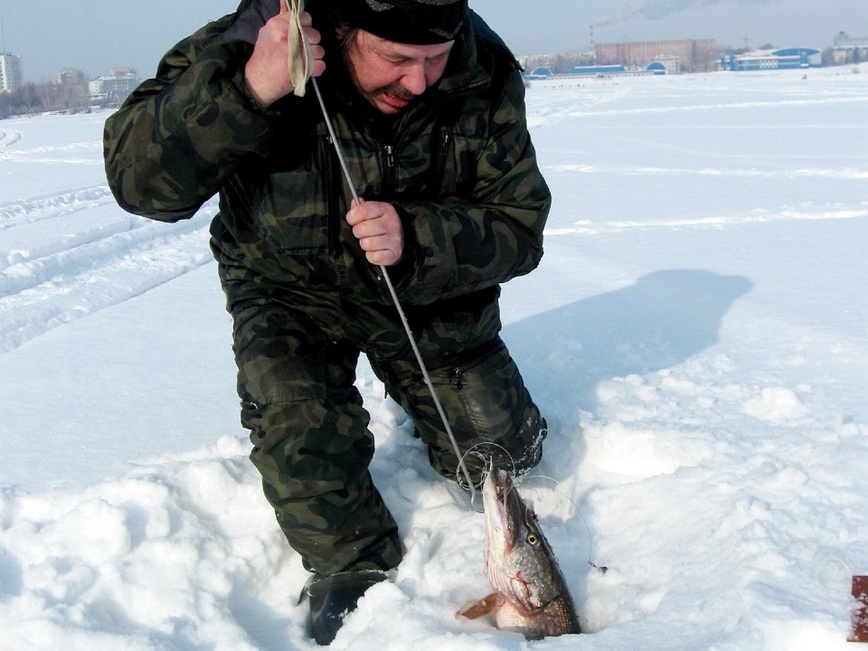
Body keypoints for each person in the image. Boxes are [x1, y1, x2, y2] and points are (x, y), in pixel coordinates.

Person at [104, 0, 551, 644]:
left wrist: (418, 237)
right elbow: (140, 185)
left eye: (434, 59)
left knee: (507, 456)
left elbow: (520, 225)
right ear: (341, 31)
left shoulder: (483, 66)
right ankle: (355, 570)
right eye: (396, 59)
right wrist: (248, 90)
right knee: (303, 442)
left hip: (422, 294)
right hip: (287, 291)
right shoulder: (248, 43)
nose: (419, 81)